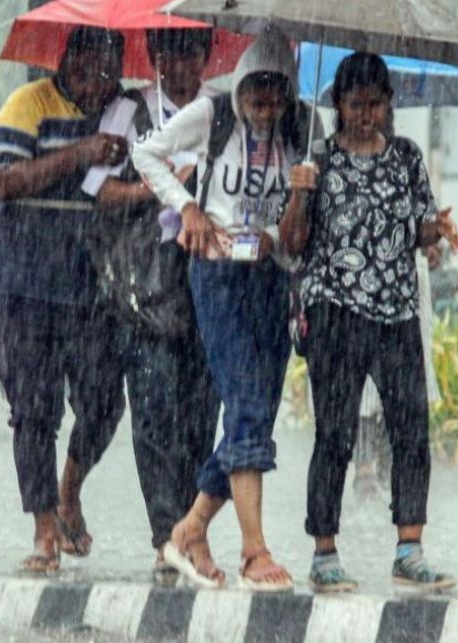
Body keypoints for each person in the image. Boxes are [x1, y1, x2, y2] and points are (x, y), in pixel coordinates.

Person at [132, 26, 321, 591]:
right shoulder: (211, 116)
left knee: (255, 415)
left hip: (271, 279)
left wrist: (291, 205)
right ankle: (253, 549)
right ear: (239, 89)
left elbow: (293, 236)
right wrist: (188, 207)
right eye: (255, 99)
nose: (264, 111)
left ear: (288, 93)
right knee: (242, 401)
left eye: (275, 98)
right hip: (216, 273)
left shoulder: (305, 130)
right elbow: (146, 153)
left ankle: (188, 528)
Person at [279, 52, 458, 593]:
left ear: (388, 106)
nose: (366, 115)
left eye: (375, 106)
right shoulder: (319, 160)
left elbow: (416, 230)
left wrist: (438, 232)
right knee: (334, 435)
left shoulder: (406, 157)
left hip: (397, 312)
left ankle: (409, 548)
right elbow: (293, 246)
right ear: (337, 105)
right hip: (335, 311)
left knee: (410, 430)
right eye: (356, 105)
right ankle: (324, 551)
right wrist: (299, 192)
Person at [73, 27, 222, 583]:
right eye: (170, 51)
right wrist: (161, 190)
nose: (180, 61)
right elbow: (99, 192)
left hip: (204, 277)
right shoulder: (130, 110)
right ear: (154, 55)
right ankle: (165, 535)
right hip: (143, 284)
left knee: (201, 409)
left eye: (191, 50)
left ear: (206, 56)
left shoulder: (219, 113)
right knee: (155, 409)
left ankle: (192, 528)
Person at [0, 26, 129, 573]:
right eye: (90, 65)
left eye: (109, 67)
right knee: (34, 410)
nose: (99, 79)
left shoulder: (124, 111)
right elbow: (0, 182)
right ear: (68, 59)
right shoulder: (28, 104)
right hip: (26, 281)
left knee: (104, 402)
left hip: (95, 283)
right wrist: (81, 153)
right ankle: (44, 528)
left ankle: (71, 489)